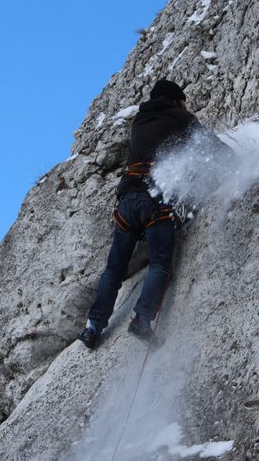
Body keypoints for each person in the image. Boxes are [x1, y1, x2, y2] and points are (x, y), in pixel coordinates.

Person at [77, 79, 199, 349]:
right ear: (175, 100)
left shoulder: (139, 120)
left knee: (113, 270)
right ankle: (142, 320)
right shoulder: (180, 117)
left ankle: (92, 328)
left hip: (126, 203)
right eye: (183, 101)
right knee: (160, 264)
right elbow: (207, 145)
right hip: (154, 200)